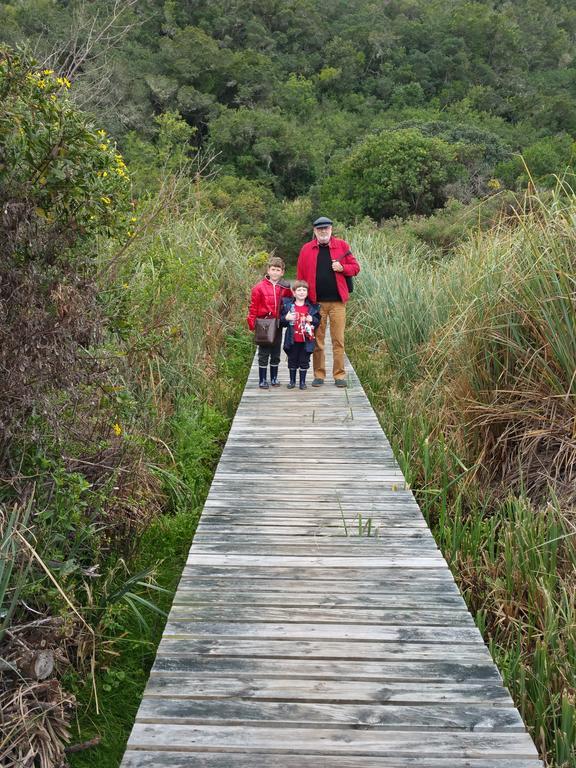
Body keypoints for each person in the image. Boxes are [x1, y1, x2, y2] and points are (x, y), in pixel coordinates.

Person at [296, 216, 360, 387]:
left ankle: (339, 376)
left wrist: (342, 268)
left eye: (326, 228)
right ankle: (319, 375)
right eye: (320, 229)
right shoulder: (306, 249)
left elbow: (356, 268)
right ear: (315, 231)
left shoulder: (342, 246)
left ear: (331, 229)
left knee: (338, 340)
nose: (323, 231)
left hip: (338, 302)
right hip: (316, 303)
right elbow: (300, 277)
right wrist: (299, 301)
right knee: (317, 340)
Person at [246, 256, 292, 389]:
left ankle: (274, 377)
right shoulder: (258, 288)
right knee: (264, 351)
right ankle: (262, 379)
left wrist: (287, 318)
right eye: (273, 269)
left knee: (276, 351)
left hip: (277, 324)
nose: (275, 272)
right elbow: (253, 306)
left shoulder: (285, 287)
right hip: (264, 324)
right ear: (268, 270)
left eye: (278, 270)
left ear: (282, 272)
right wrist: (251, 322)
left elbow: (288, 304)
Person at [280, 280, 321, 390]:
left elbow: (318, 321)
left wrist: (312, 319)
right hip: (292, 339)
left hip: (306, 340)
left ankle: (302, 382)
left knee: (304, 360)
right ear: (294, 293)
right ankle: (292, 381)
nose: (301, 292)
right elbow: (281, 322)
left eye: (304, 290)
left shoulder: (312, 307)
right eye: (299, 290)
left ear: (307, 293)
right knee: (292, 360)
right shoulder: (288, 306)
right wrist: (286, 318)